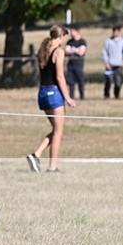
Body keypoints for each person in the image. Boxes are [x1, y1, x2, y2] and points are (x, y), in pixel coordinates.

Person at [27, 25, 76, 174]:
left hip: (43, 92)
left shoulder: (43, 50)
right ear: (61, 36)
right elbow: (60, 76)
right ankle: (52, 167)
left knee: (56, 130)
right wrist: (67, 97)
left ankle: (36, 155)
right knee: (59, 132)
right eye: (64, 37)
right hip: (54, 93)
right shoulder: (58, 52)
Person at [102, 25, 123, 99]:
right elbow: (104, 52)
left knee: (118, 82)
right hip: (110, 64)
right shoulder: (108, 41)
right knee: (108, 81)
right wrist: (106, 62)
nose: (114, 33)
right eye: (113, 31)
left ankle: (117, 95)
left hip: (119, 64)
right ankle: (106, 95)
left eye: (116, 31)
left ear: (119, 32)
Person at [64, 26, 87, 99]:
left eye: (72, 31)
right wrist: (76, 50)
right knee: (71, 82)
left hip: (79, 65)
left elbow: (81, 52)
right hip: (70, 65)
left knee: (81, 81)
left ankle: (82, 96)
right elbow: (66, 51)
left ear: (77, 32)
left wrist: (71, 50)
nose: (71, 33)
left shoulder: (82, 41)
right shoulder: (69, 42)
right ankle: (71, 97)